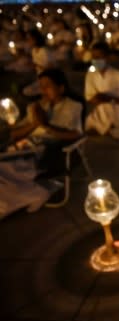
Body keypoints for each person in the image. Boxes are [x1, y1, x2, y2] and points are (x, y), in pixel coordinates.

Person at [1, 69, 83, 219]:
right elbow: (15, 134)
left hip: (48, 151)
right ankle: (16, 200)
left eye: (48, 86)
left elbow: (76, 134)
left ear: (61, 88)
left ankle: (33, 194)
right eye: (41, 86)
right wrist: (34, 124)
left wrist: (46, 126)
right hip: (24, 147)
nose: (43, 90)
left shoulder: (73, 106)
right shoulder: (36, 107)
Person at [84, 42, 119, 139]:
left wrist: (110, 99)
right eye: (93, 57)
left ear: (107, 58)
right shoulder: (91, 75)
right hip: (101, 111)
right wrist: (102, 99)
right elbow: (90, 98)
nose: (96, 60)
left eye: (99, 57)